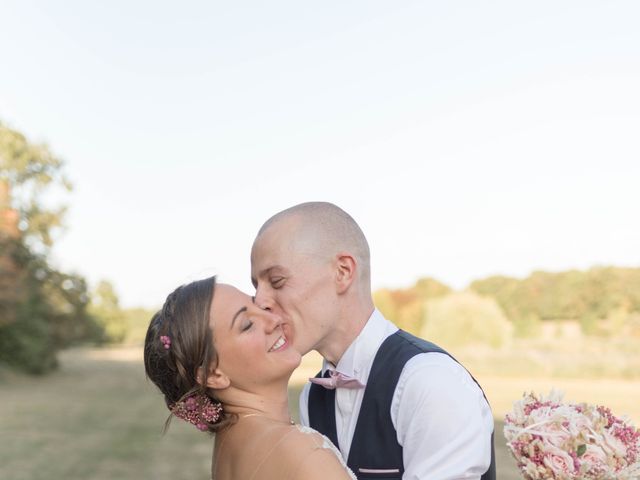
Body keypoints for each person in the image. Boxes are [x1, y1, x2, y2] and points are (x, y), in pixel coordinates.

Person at [251, 202, 496, 480]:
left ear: (342, 272)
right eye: (256, 286)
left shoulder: (429, 382)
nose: (259, 302)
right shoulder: (313, 397)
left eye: (277, 280)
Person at [144, 276, 357, 480]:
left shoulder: (228, 449)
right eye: (247, 324)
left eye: (259, 306)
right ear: (213, 374)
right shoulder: (301, 452)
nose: (275, 319)